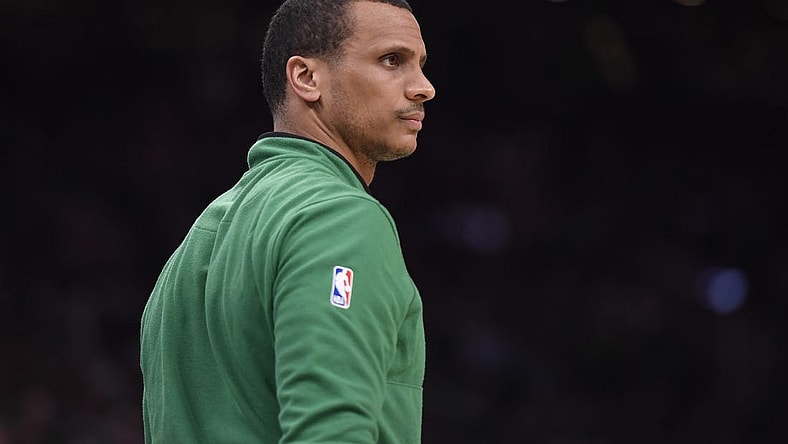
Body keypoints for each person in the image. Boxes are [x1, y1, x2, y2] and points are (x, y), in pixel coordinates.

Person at [139, 0, 436, 442]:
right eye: (391, 60)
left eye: (421, 65)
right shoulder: (339, 218)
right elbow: (331, 432)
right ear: (306, 78)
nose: (424, 87)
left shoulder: (197, 240)